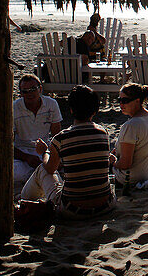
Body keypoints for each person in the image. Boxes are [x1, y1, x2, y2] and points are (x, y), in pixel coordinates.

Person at [20, 85, 115, 219]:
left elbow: (50, 168)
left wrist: (44, 152)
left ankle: (23, 200)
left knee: (41, 169)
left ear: (71, 109)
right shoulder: (103, 133)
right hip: (106, 205)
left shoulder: (61, 138)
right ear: (95, 110)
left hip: (73, 209)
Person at [12, 74, 64, 191]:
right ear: (20, 93)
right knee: (15, 172)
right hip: (22, 153)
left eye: (33, 89)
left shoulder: (51, 104)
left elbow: (57, 137)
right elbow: (9, 144)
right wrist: (26, 157)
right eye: (25, 91)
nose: (29, 93)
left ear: (40, 89)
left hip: (44, 149)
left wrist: (54, 156)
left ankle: (40, 174)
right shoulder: (15, 108)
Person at [111, 83, 148, 186]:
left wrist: (113, 162)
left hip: (134, 176)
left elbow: (125, 163)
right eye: (120, 100)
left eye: (125, 101)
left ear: (137, 101)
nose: (121, 104)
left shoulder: (131, 125)